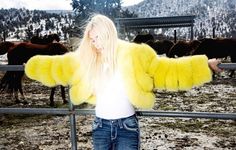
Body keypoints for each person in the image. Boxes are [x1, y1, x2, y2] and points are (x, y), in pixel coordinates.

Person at [25, 14, 222, 150]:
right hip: (100, 127)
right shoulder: (86, 58)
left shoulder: (135, 54)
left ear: (110, 33)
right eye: (92, 40)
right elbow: (57, 66)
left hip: (127, 127)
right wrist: (33, 65)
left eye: (99, 38)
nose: (96, 44)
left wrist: (204, 65)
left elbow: (169, 70)